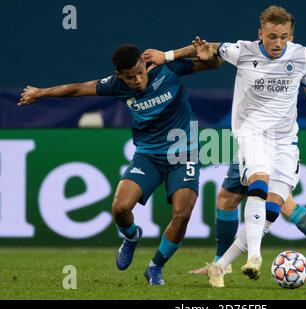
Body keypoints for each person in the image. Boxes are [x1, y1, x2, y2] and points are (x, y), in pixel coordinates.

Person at [144, 5, 306, 288]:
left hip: (286, 141)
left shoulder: (301, 56)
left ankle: (220, 265)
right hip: (252, 135)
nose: (277, 43)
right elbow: (208, 47)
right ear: (260, 33)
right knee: (257, 184)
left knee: (271, 210)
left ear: (291, 35)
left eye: (284, 37)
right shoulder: (243, 51)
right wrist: (166, 56)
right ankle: (254, 258)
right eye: (272, 36)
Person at [17, 42, 220, 286]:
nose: (136, 80)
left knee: (182, 213)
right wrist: (41, 92)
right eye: (129, 77)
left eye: (140, 73)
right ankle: (132, 237)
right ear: (118, 76)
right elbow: (77, 89)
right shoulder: (115, 86)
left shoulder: (168, 69)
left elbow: (215, 60)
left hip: (184, 153)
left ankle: (155, 267)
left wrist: (179, 54)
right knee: (120, 208)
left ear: (145, 64)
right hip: (148, 155)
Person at [189, 163, 306, 280]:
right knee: (227, 199)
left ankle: (226, 264)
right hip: (251, 142)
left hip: (272, 144)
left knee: (277, 203)